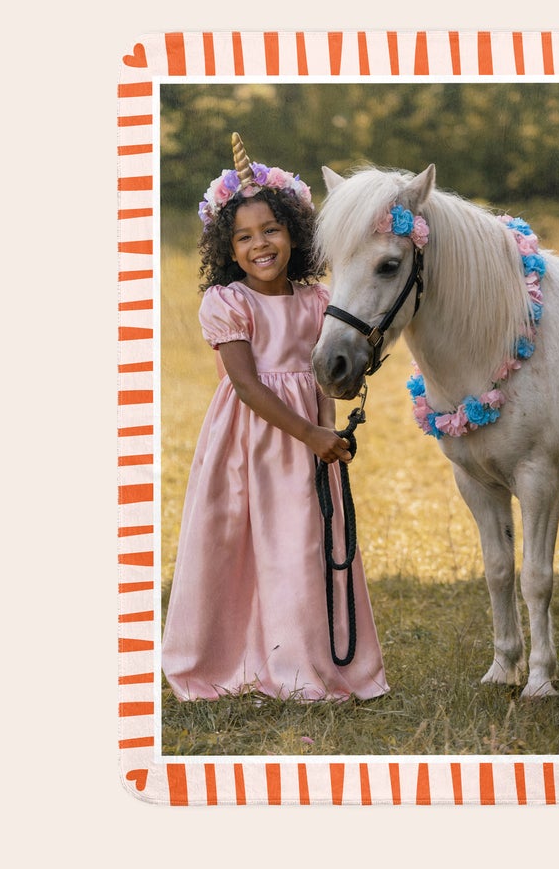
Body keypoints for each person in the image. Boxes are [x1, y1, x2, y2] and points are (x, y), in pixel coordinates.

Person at [161, 133, 388, 703]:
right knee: (241, 548)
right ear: (227, 246)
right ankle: (234, 657)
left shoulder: (317, 301)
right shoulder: (228, 302)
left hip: (313, 444)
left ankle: (307, 661)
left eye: (271, 229)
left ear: (294, 232)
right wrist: (311, 432)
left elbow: (333, 364)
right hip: (251, 442)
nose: (259, 244)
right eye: (243, 236)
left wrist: (336, 417)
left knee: (305, 548)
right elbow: (245, 384)